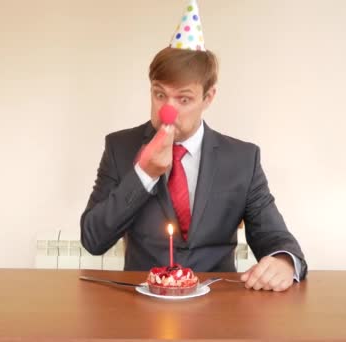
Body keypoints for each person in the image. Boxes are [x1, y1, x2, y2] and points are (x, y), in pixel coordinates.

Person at [81, 0, 307, 291]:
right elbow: (93, 239)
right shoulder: (120, 148)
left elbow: (274, 236)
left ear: (209, 97)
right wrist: (144, 174)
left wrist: (284, 261)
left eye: (183, 99)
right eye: (159, 94)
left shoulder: (242, 158)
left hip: (217, 304)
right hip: (145, 303)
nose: (167, 111)